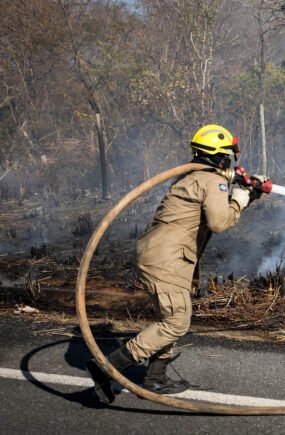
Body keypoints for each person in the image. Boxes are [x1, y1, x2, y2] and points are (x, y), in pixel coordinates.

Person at [85, 124, 270, 404]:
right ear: (219, 157)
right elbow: (219, 221)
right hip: (167, 260)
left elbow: (212, 204)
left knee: (171, 318)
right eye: (228, 156)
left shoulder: (194, 178)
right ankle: (107, 367)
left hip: (164, 256)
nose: (231, 162)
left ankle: (155, 377)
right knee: (175, 322)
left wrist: (246, 193)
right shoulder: (211, 181)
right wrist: (241, 199)